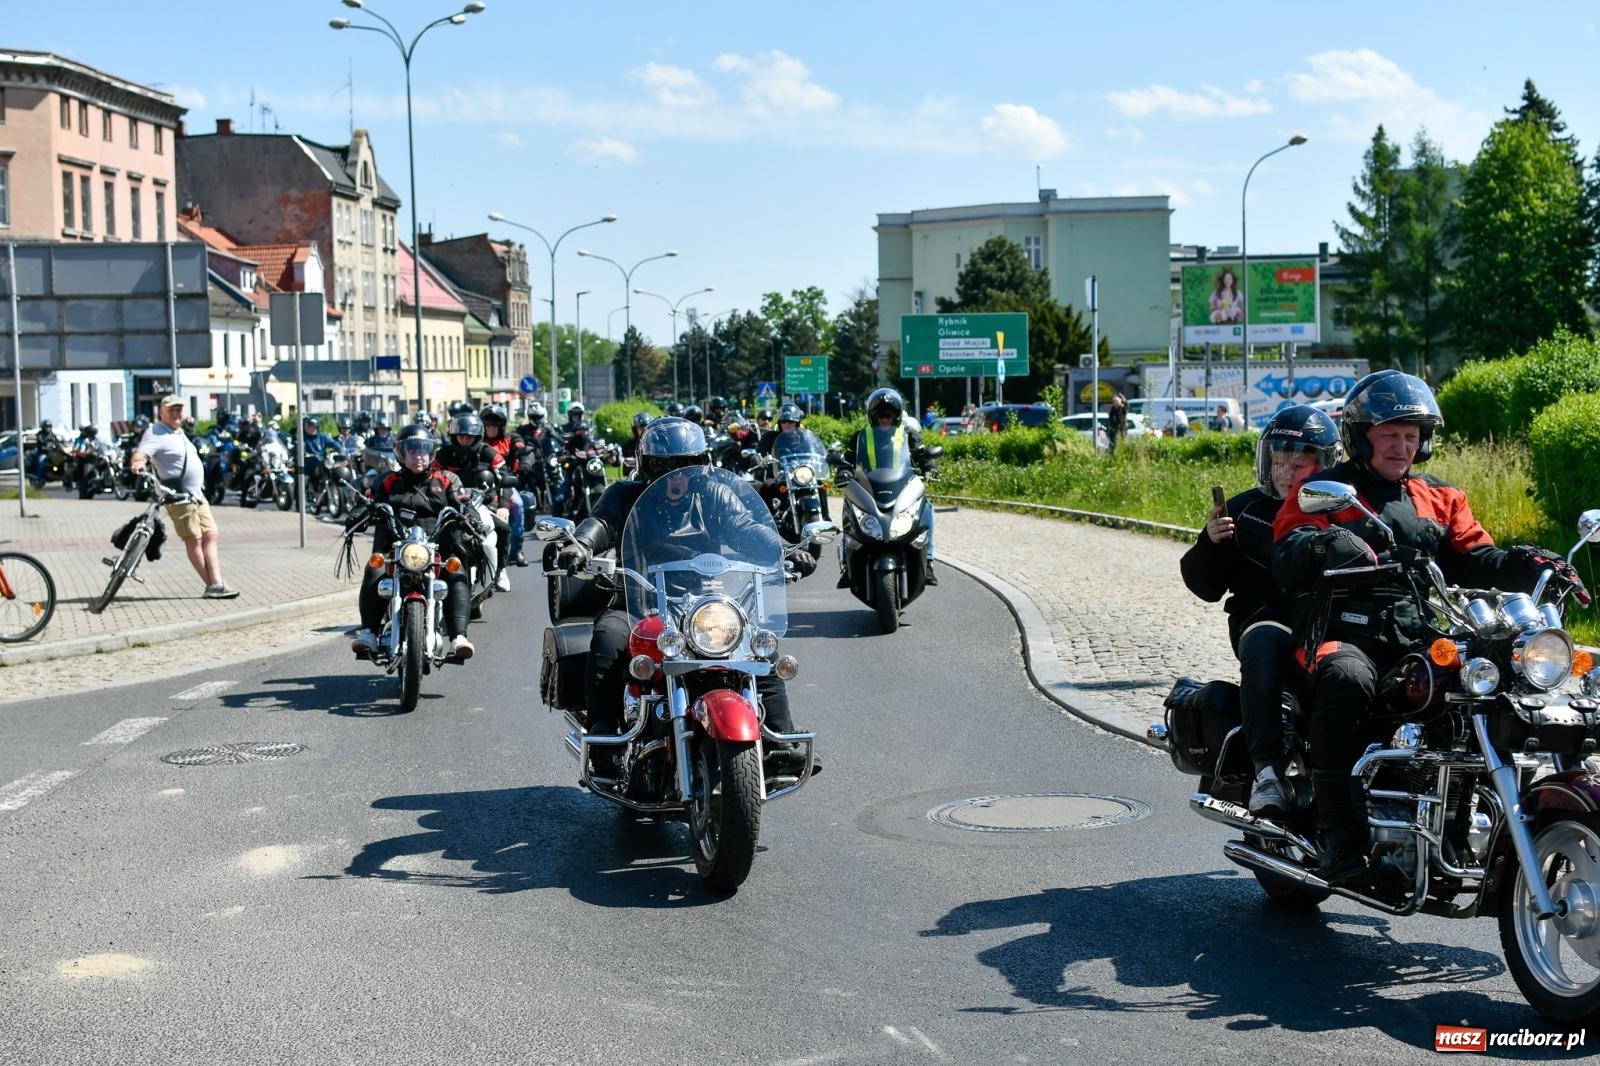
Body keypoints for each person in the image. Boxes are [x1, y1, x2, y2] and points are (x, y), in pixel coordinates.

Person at [1272, 369, 1584, 883]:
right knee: (1347, 679)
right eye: (1390, 434)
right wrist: (1322, 545)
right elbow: (1288, 551)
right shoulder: (1328, 491)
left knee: (1489, 677)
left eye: (1411, 435)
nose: (1402, 445)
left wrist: (1528, 563)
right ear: (1360, 436)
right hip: (1341, 632)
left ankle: (1466, 810)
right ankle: (1337, 833)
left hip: (1419, 635)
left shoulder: (1440, 496)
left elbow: (1475, 558)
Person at [554, 417, 818, 776]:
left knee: (759, 644)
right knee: (608, 637)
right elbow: (601, 523)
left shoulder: (714, 495)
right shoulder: (623, 495)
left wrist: (785, 550)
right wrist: (582, 545)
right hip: (639, 600)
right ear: (647, 467)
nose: (676, 477)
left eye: (686, 467)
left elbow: (747, 527)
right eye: (666, 468)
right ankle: (606, 743)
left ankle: (780, 740)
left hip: (707, 601)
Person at [1180, 405, 1339, 818]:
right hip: (1266, 615)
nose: (1286, 472)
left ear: (1324, 464)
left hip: (1332, 620)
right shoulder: (1244, 509)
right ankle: (1266, 768)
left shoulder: (1339, 505)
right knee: (1266, 642)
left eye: (1298, 463)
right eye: (1279, 461)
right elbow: (1204, 586)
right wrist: (1211, 545)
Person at [351, 423, 475, 660]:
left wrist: (470, 515)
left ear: (431, 452)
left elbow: (463, 503)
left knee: (457, 571)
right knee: (374, 568)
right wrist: (361, 512)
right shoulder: (386, 481)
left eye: (423, 450)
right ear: (401, 453)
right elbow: (371, 502)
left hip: (439, 547)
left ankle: (459, 637)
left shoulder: (447, 480)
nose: (418, 456)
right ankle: (368, 632)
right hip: (396, 549)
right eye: (412, 451)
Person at [129, 395, 239, 600]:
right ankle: (214, 584)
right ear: (161, 412)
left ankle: (216, 582)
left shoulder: (178, 432)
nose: (176, 413)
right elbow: (141, 454)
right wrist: (138, 463)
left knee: (211, 534)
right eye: (171, 409)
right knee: (194, 539)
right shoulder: (155, 432)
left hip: (197, 495)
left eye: (179, 409)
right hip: (177, 496)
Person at [842, 388, 937, 585]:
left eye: (889, 414)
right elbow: (849, 458)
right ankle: (847, 563)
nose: (884, 419)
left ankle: (927, 561)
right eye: (880, 415)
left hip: (901, 486)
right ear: (872, 416)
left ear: (897, 416)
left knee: (927, 508)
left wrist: (930, 467)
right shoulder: (861, 436)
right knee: (848, 511)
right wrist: (843, 470)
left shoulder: (908, 434)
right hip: (869, 487)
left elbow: (921, 454)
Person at [434, 410, 512, 592]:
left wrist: (503, 506)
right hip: (451, 504)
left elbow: (505, 478)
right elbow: (433, 478)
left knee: (503, 528)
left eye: (469, 437)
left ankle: (501, 569)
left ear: (477, 437)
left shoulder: (489, 453)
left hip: (484, 504)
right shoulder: (443, 454)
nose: (464, 441)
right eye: (460, 437)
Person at [28, 420, 62, 488]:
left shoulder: (52, 434)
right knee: (42, 463)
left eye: (49, 426)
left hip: (52, 453)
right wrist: (46, 446)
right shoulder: (40, 434)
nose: (48, 428)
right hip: (43, 452)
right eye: (46, 426)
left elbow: (57, 442)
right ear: (43, 427)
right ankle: (37, 479)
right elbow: (41, 443)